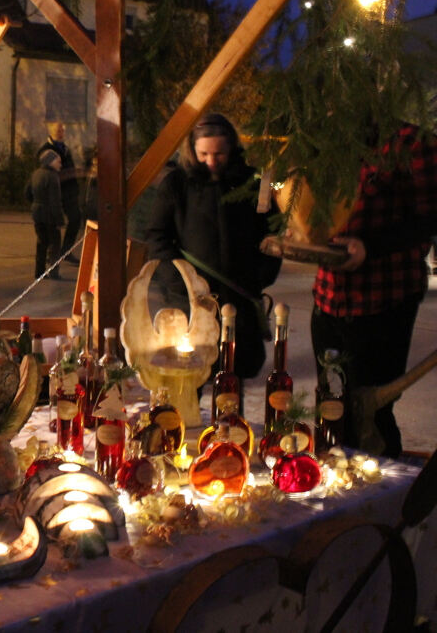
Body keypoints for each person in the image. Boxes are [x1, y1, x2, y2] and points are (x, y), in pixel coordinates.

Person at [311, 122, 437, 458]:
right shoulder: (327, 140)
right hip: (327, 300)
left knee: (371, 414)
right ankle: (330, 476)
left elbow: (430, 217)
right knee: (331, 408)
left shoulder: (411, 143)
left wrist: (371, 246)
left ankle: (380, 486)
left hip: (382, 302)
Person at [143, 113, 281, 379]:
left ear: (231, 148)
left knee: (234, 377)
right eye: (204, 154)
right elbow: (158, 237)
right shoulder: (176, 185)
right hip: (191, 303)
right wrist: (180, 282)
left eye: (218, 154)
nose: (211, 161)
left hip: (240, 300)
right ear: (192, 150)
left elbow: (273, 232)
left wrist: (262, 275)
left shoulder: (252, 184)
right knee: (187, 379)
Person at [37, 122, 82, 262]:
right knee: (52, 225)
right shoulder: (46, 150)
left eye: (62, 130)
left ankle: (66, 251)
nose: (61, 133)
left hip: (69, 193)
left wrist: (75, 187)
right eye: (58, 130)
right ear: (51, 132)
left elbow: (70, 169)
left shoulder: (65, 149)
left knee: (75, 219)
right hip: (53, 193)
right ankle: (50, 255)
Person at [26, 149, 64, 279]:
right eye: (58, 161)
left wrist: (36, 203)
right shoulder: (52, 177)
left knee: (41, 243)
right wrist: (60, 220)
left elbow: (27, 192)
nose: (60, 165)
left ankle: (39, 272)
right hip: (50, 216)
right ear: (50, 161)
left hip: (37, 214)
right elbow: (55, 201)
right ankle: (54, 272)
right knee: (55, 244)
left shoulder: (35, 173)